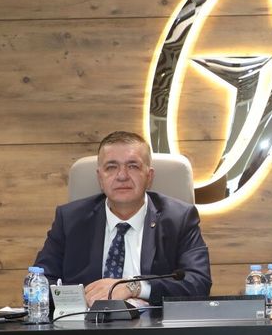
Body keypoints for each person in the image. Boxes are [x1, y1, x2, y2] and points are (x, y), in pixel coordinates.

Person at [34, 130, 211, 305]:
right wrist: (82, 299)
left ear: (149, 176)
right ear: (100, 178)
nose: (122, 176)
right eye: (111, 167)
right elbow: (39, 283)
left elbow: (198, 283)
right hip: (85, 322)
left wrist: (134, 287)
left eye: (133, 166)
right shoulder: (70, 220)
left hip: (153, 322)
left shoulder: (179, 219)